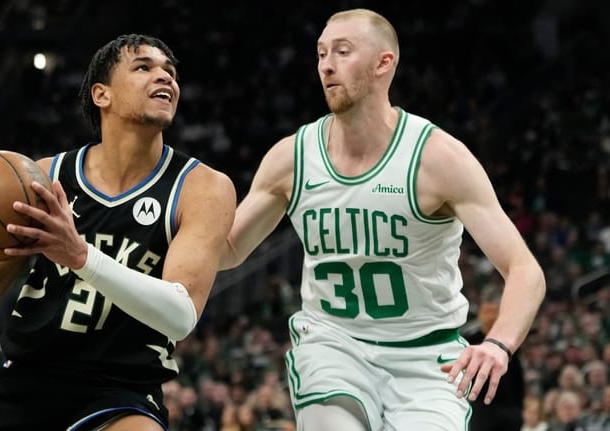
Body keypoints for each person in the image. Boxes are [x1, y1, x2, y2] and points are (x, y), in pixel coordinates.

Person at [220, 8, 546, 431]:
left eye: (342, 51)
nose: (326, 64)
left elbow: (525, 270)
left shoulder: (437, 158)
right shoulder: (292, 158)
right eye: (320, 53)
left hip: (427, 358)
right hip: (333, 345)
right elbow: (227, 250)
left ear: (383, 63)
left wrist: (499, 345)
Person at [0, 34, 236, 431]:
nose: (165, 78)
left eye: (170, 72)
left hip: (121, 390)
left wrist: (81, 257)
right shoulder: (40, 178)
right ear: (101, 94)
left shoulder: (202, 187)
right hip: (24, 377)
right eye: (144, 67)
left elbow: (180, 316)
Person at [466, 285, 525, 431]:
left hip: (509, 408)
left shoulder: (509, 341)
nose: (491, 316)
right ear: (480, 314)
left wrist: (518, 408)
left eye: (494, 311)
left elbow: (517, 376)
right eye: (487, 311)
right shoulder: (470, 341)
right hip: (482, 408)